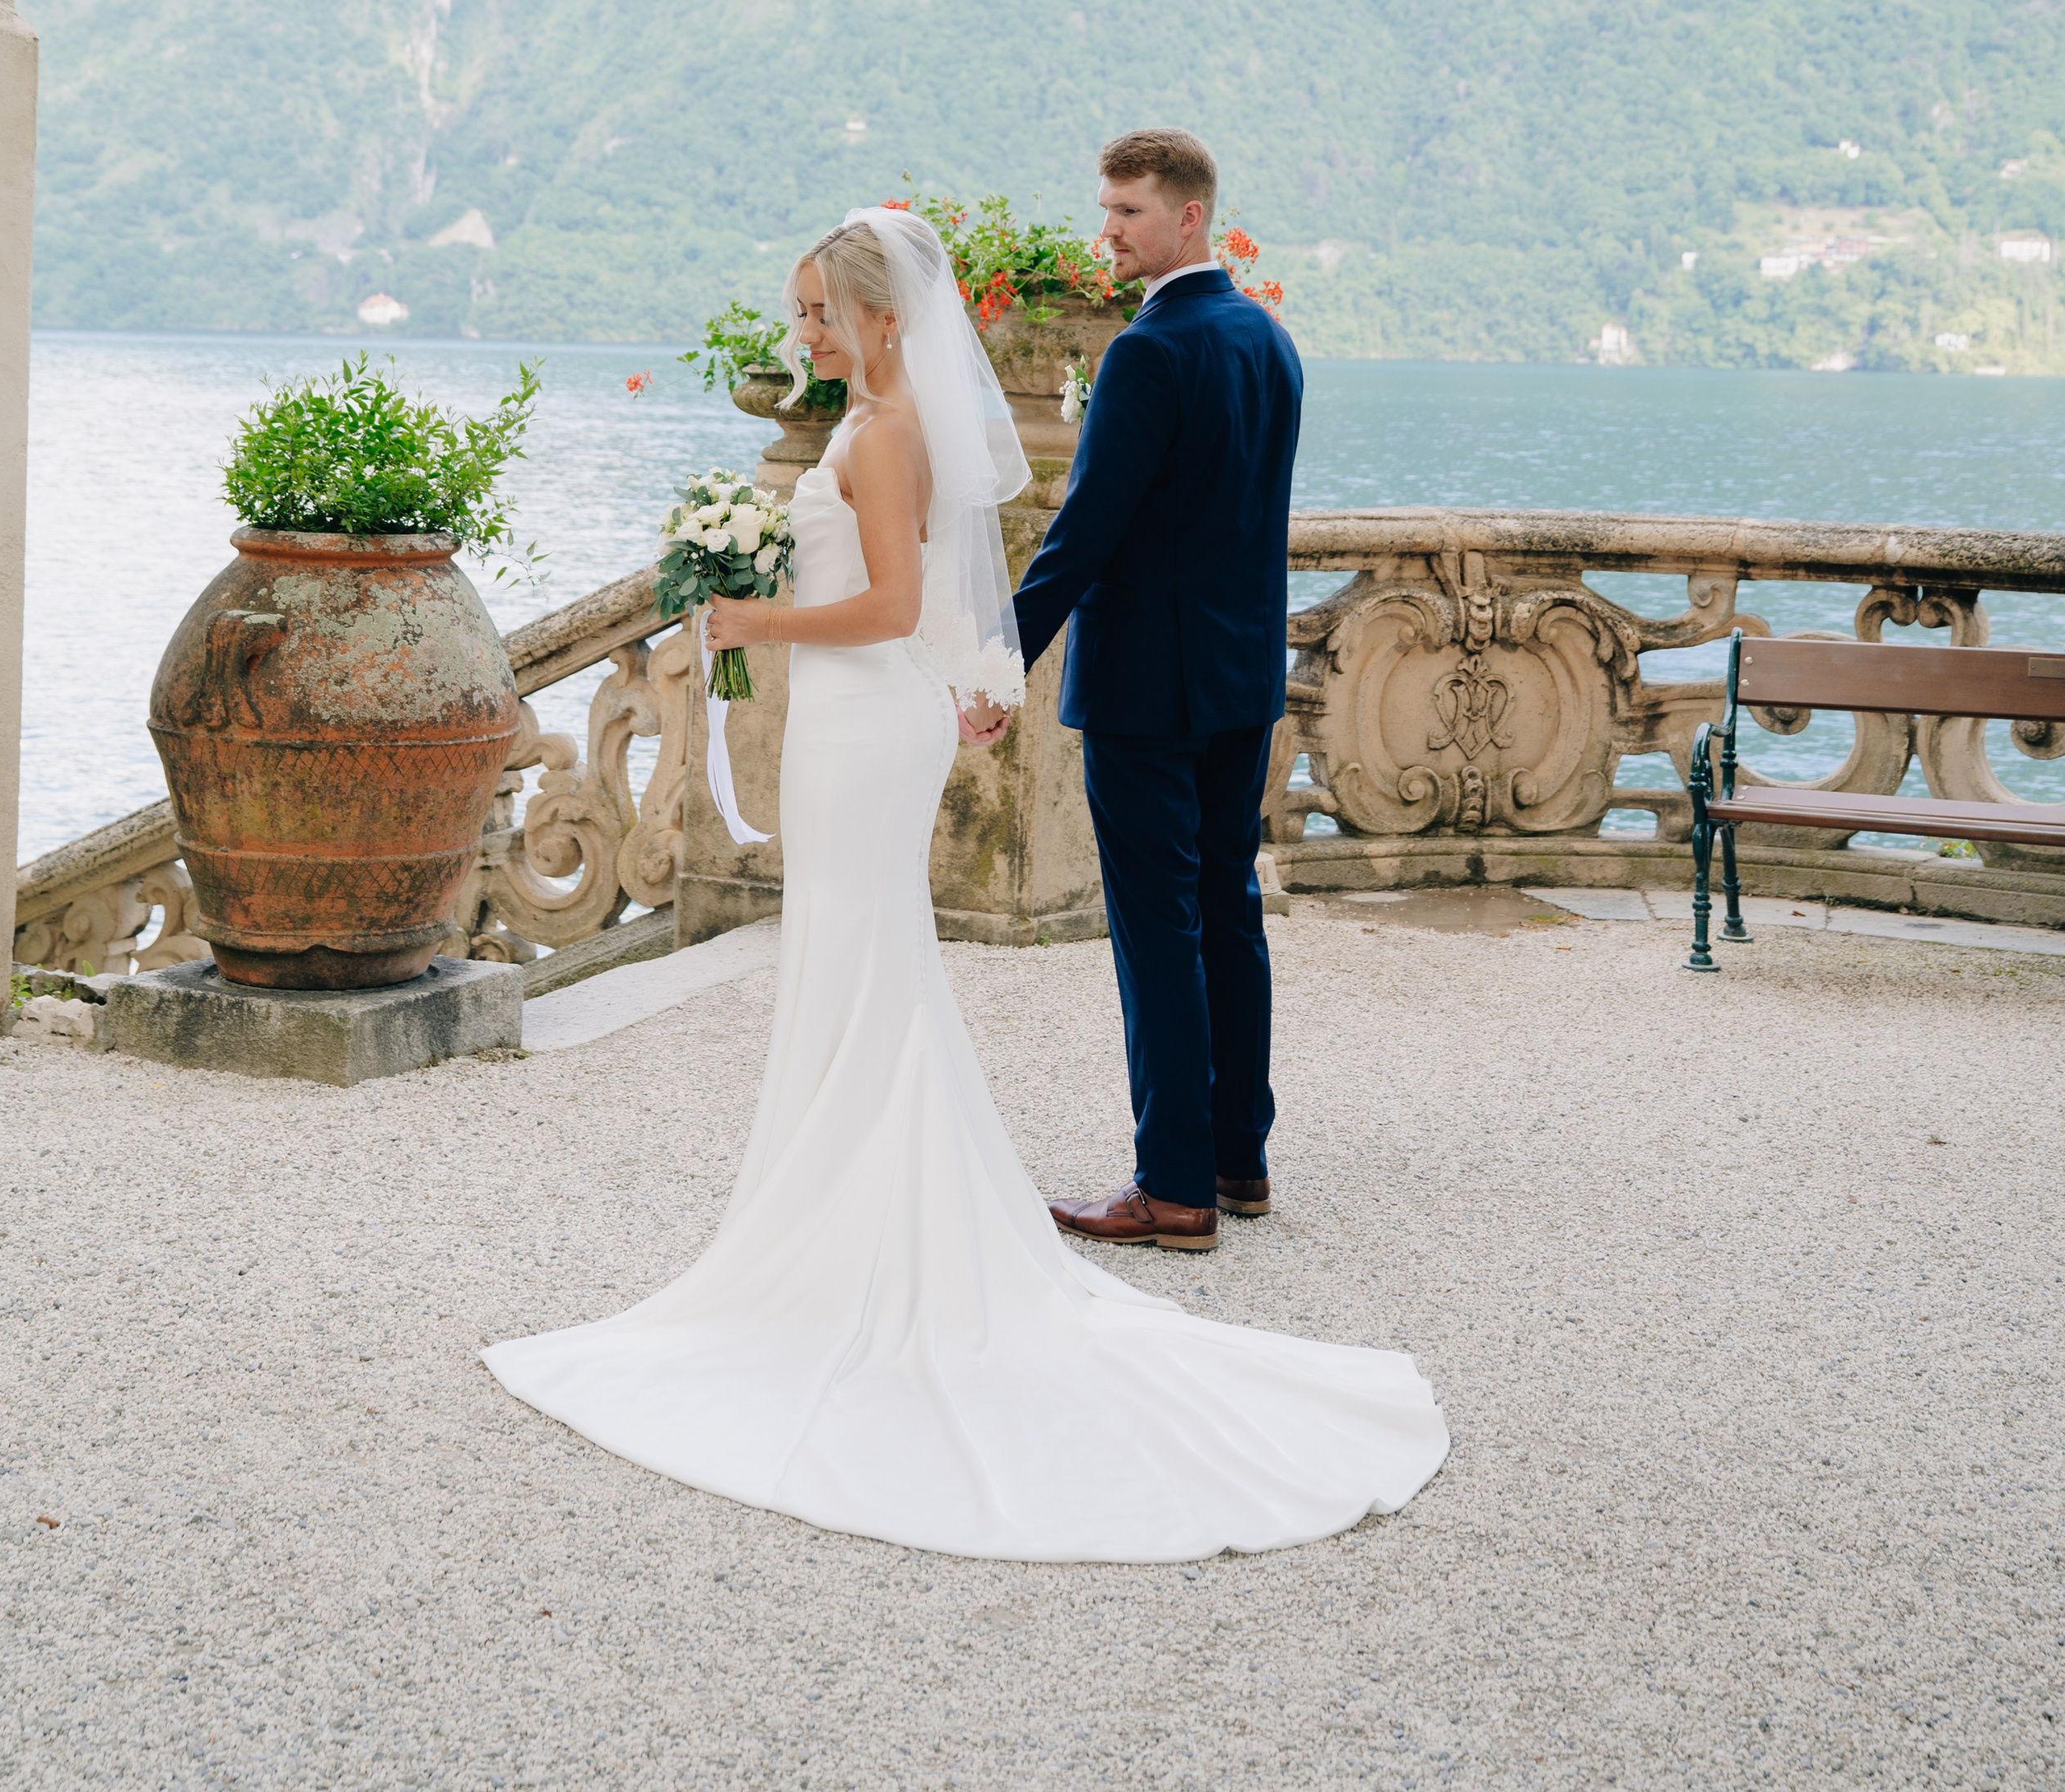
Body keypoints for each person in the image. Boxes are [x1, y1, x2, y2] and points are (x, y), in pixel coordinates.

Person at [482, 205, 1447, 1560]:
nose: (799, 333)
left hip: (864, 718)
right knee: (864, 961)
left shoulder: (882, 435)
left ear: (884, 316)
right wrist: (939, 664)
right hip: (873, 714)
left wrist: (750, 614)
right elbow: (933, 600)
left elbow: (884, 605)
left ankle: (862, 1248)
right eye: (798, 311)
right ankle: (846, 1218)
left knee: (867, 954)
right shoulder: (882, 425)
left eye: (819, 310)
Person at [963, 126, 1301, 1254]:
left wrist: (995, 660)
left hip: (1149, 689)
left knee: (1157, 927)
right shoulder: (1268, 338)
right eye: (1106, 210)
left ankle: (1171, 1188)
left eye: (1128, 213)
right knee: (1227, 912)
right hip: (1241, 679)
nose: (1106, 232)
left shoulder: (1151, 352)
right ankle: (1237, 1160)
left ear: (1189, 215)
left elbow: (1085, 533)